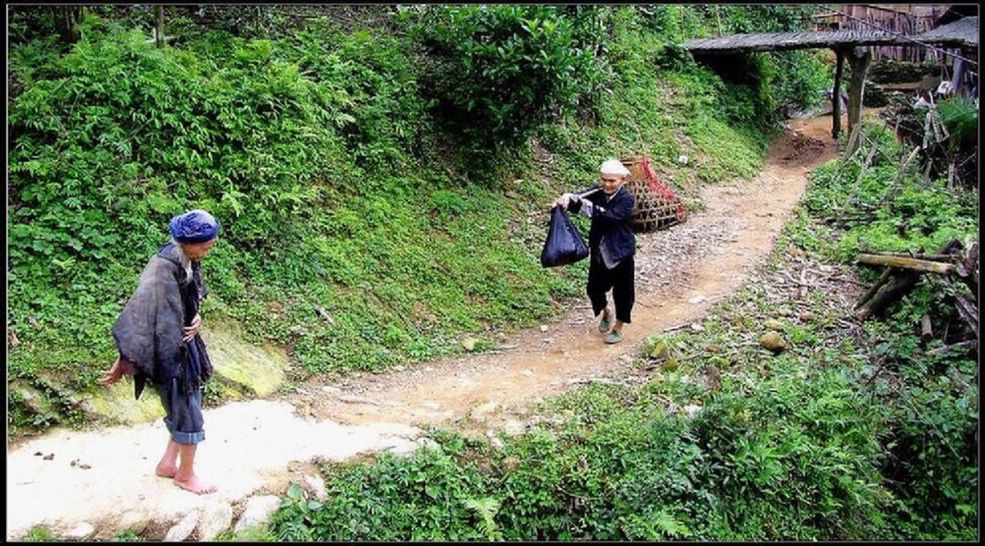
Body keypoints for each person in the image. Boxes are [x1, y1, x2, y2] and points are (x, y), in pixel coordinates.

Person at [100, 209, 220, 494]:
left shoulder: (187, 258)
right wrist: (124, 360)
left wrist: (197, 317)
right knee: (188, 412)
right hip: (169, 353)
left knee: (184, 407)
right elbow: (139, 316)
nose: (208, 250)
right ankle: (186, 475)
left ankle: (169, 463)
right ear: (187, 241)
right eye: (205, 246)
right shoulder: (162, 269)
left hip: (185, 346)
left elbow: (191, 297)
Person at [555, 159, 636, 344]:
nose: (607, 184)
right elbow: (579, 202)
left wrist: (584, 205)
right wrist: (566, 202)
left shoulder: (626, 199)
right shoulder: (598, 193)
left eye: (612, 181)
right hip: (599, 251)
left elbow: (610, 217)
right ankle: (606, 311)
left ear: (622, 180)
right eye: (604, 180)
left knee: (624, 292)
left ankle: (619, 326)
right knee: (593, 289)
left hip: (621, 252)